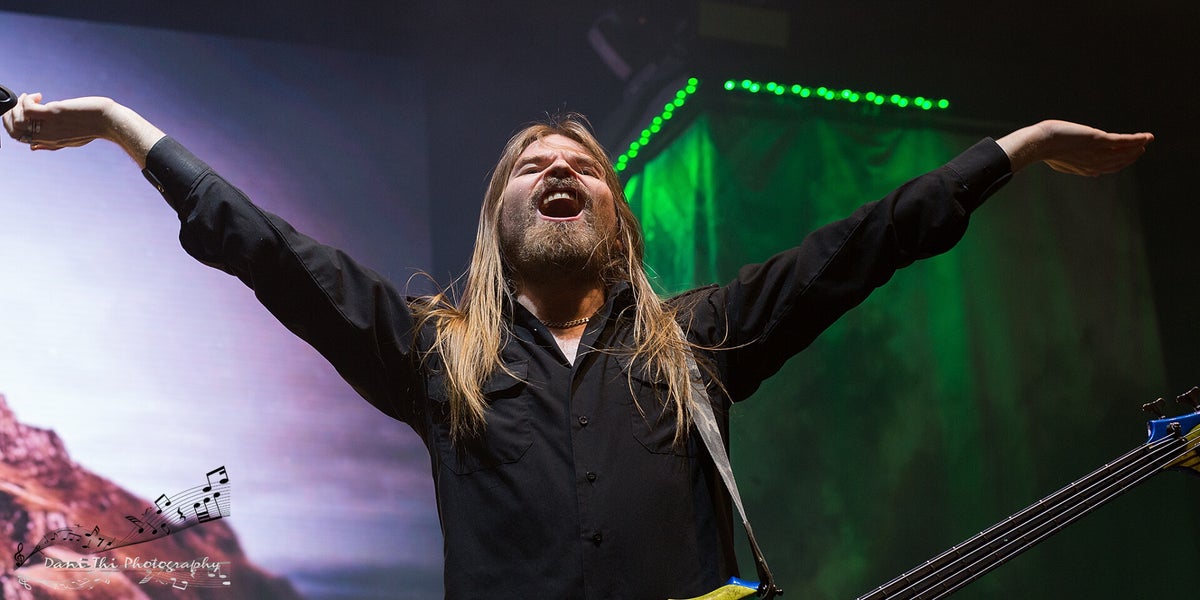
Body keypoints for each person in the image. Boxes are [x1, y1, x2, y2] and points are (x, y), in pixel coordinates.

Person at [4, 93, 1152, 599]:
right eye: (531, 164)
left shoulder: (698, 342)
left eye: (583, 166)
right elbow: (264, 248)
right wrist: (117, 126)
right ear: (496, 220)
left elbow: (861, 246)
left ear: (617, 219)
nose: (558, 168)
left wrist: (1015, 149)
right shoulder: (434, 356)